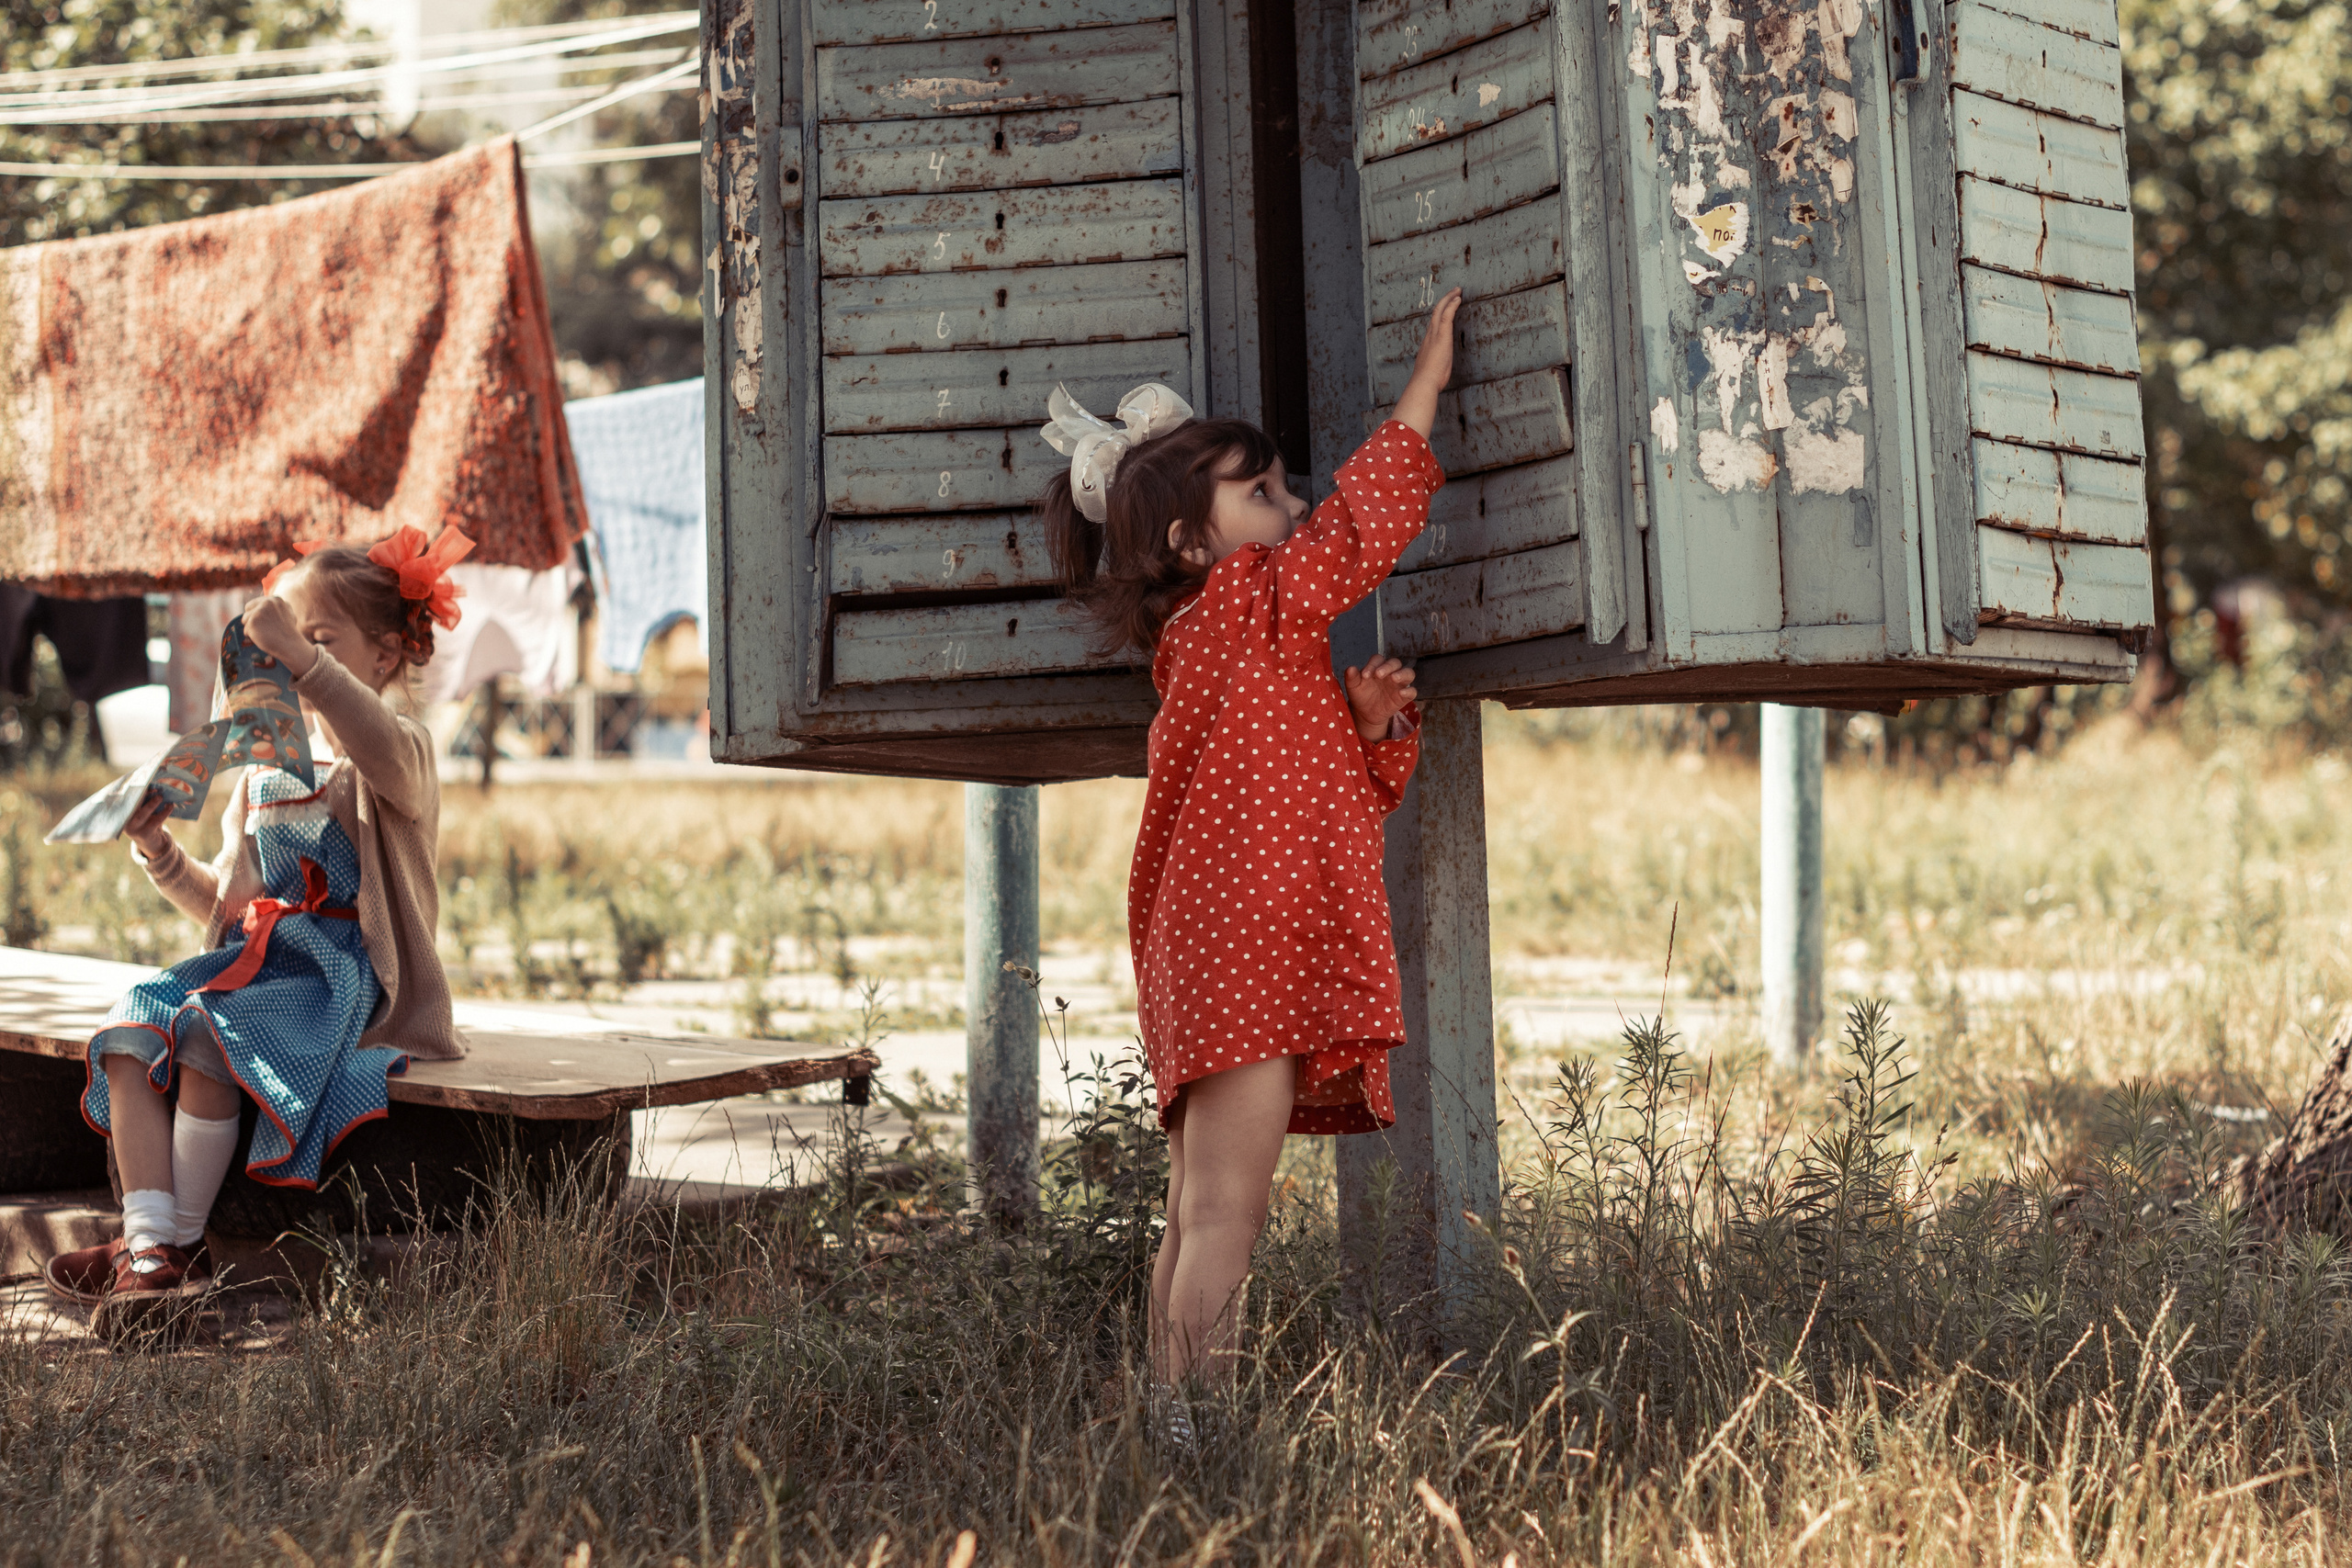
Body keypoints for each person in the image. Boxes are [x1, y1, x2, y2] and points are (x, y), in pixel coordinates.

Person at [1039, 289, 1463, 1427]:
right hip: (1247, 957)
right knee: (1227, 1213)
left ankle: (1173, 1418)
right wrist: (1424, 386)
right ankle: (1197, 1434)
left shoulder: (1229, 652)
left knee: (1200, 1207)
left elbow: (1323, 799)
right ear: (1194, 542)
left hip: (1216, 951)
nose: (1293, 505)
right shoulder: (1253, 600)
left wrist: (1367, 725)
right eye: (1262, 493)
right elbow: (1361, 526)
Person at [45, 525, 475, 1340]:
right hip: (258, 959)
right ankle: (148, 1247)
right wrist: (159, 850)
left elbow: (379, 750)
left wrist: (307, 662)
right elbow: (228, 906)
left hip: (338, 977)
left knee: (210, 1031)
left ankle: (173, 1249)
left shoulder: (400, 755)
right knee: (134, 1016)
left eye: (316, 640)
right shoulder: (266, 768)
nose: (290, 657)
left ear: (383, 657)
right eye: (284, 645)